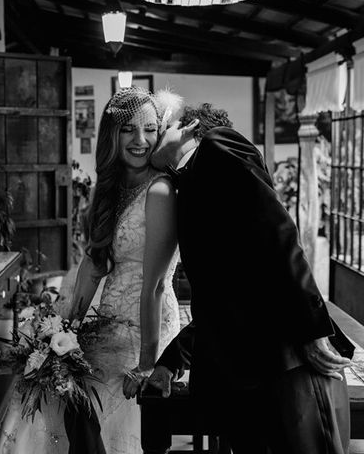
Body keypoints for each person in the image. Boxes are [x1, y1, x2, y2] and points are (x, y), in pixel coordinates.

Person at [145, 103, 354, 454]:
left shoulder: (216, 146)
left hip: (287, 363)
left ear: (188, 128)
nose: (151, 137)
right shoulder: (185, 186)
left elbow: (279, 233)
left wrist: (314, 328)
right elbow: (226, 298)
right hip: (244, 381)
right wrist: (171, 359)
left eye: (160, 126)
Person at [0, 87, 183, 454]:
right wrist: (67, 331)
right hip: (109, 320)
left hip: (149, 327)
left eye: (149, 129)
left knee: (91, 406)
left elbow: (156, 285)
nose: (140, 140)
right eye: (128, 129)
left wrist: (146, 364)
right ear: (112, 135)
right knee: (57, 385)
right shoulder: (109, 190)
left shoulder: (159, 192)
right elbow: (94, 266)